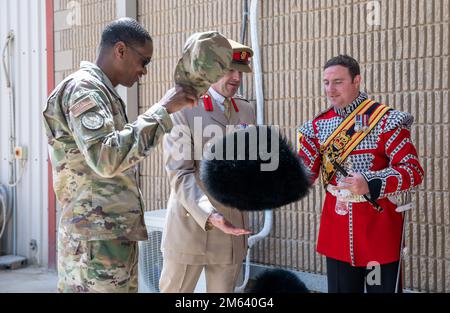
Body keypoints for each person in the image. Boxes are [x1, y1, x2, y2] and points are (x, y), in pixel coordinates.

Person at [42, 18, 197, 293]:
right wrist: (162, 110)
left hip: (108, 237)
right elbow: (106, 158)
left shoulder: (103, 93)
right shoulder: (84, 89)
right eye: (144, 61)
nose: (144, 71)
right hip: (94, 244)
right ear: (121, 50)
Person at [297, 54, 424, 293]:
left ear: (357, 81)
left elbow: (412, 171)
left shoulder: (386, 120)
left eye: (338, 82)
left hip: (380, 232)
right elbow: (303, 174)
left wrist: (370, 182)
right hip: (337, 233)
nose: (330, 90)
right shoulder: (316, 127)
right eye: (326, 82)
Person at [159, 39, 256, 293]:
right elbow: (180, 173)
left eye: (240, 71)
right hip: (190, 227)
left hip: (231, 231)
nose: (236, 77)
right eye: (229, 70)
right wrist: (210, 214)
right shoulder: (182, 108)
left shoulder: (245, 110)